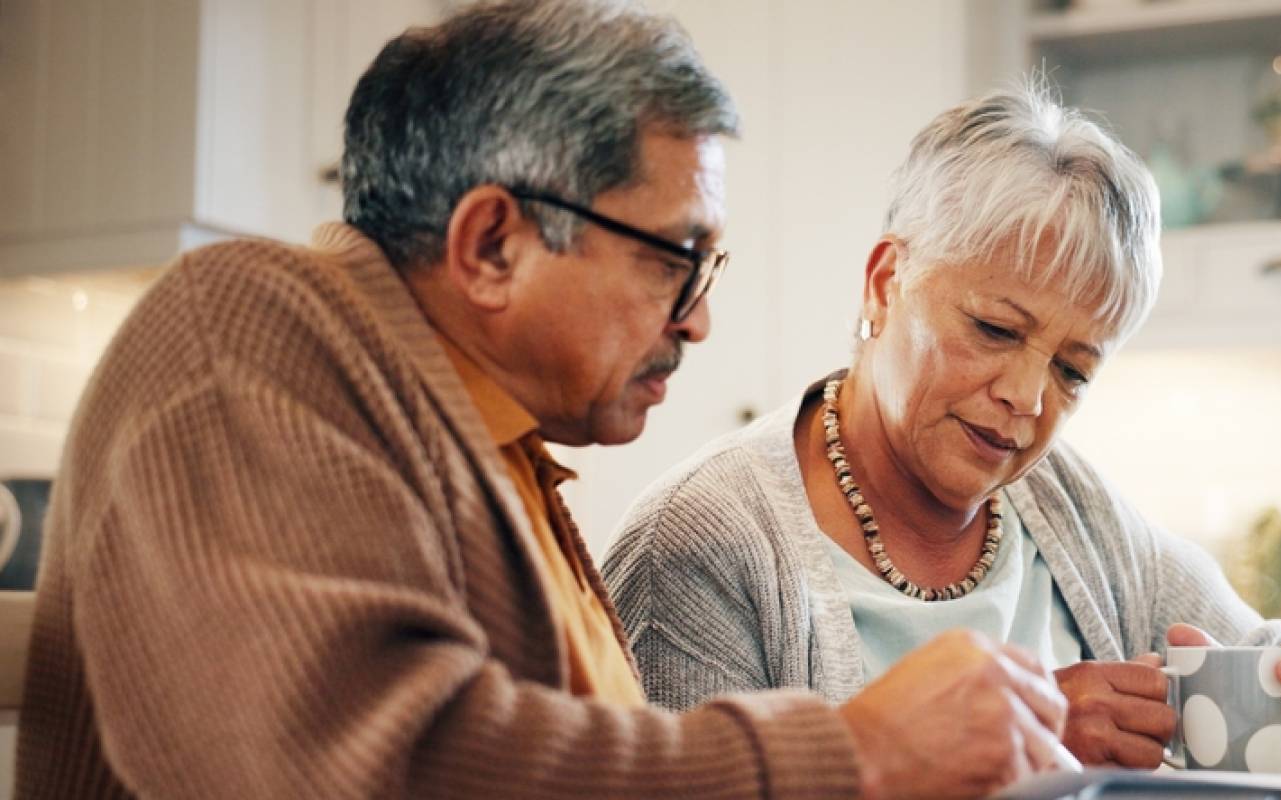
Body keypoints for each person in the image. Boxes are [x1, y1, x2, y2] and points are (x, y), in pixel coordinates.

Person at [14, 3, 1074, 797]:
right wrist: (858, 751)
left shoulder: (503, 450)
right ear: (492, 244)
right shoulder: (247, 333)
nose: (698, 318)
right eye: (676, 259)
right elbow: (382, 763)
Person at [604, 84, 1281, 773]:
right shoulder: (699, 546)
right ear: (885, 283)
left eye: (1072, 370)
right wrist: (1028, 747)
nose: (1028, 397)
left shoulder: (1069, 507)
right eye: (996, 330)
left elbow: (1245, 651)